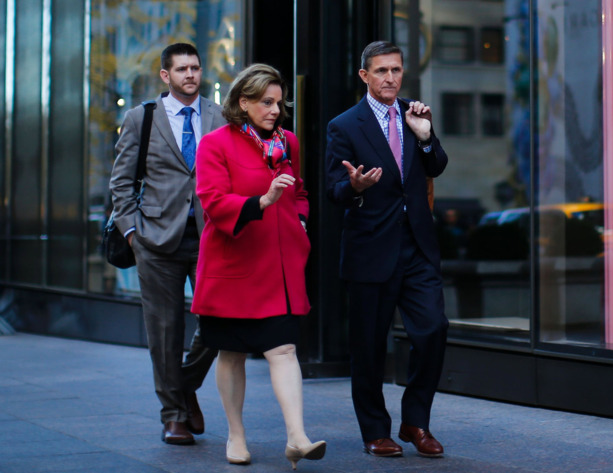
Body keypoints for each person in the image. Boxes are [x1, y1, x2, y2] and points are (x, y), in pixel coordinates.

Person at [191, 63, 326, 469]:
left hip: (280, 268)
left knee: (283, 348)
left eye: (279, 102)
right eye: (266, 102)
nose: (275, 110)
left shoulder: (289, 143)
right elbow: (213, 201)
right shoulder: (215, 144)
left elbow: (299, 192)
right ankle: (236, 435)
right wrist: (262, 202)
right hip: (233, 266)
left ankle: (297, 437)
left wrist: (299, 219)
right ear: (243, 102)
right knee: (230, 351)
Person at [325, 41, 449, 458]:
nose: (390, 78)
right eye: (381, 71)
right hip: (371, 248)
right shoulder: (344, 125)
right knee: (369, 346)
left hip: (417, 246)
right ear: (365, 76)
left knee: (432, 330)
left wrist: (425, 137)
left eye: (396, 70)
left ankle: (416, 421)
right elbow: (333, 190)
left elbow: (436, 165)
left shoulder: (415, 112)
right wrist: (355, 186)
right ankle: (375, 430)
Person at [109, 43, 225, 445]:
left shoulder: (219, 115)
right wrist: (131, 233)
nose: (190, 75)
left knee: (219, 322)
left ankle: (184, 386)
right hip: (155, 240)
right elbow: (121, 182)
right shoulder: (141, 117)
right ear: (166, 75)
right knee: (164, 331)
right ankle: (173, 415)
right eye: (181, 69)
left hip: (211, 237)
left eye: (195, 68)